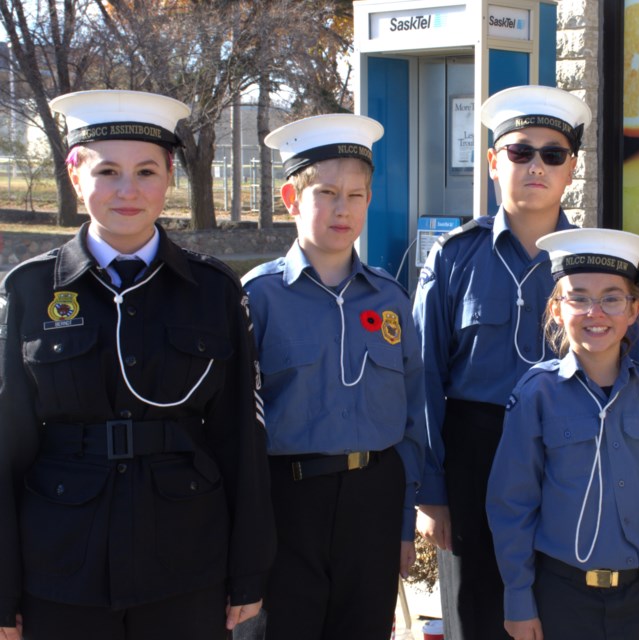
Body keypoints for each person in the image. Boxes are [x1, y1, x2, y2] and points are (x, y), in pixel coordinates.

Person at [0, 89, 274, 640]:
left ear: (170, 175)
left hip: (184, 558)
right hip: (60, 562)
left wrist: (247, 573)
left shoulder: (213, 291)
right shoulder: (29, 290)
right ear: (75, 174)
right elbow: (6, 446)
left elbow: (241, 436)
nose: (128, 190)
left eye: (146, 170)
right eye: (107, 171)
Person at [412, 84, 598, 640]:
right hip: (476, 452)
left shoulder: (593, 260)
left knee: (564, 607)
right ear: (493, 163)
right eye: (519, 151)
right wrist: (431, 489)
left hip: (571, 450)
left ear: (570, 169)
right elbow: (421, 376)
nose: (535, 165)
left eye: (552, 154)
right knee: (481, 611)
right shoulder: (455, 256)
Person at [241, 113, 425, 640]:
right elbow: (236, 424)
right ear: (291, 198)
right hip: (287, 505)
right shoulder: (257, 298)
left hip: (374, 499)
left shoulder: (389, 298)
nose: (343, 208)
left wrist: (403, 521)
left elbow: (412, 416)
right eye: (326, 192)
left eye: (357, 194)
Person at [486, 228, 639, 640]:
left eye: (612, 298)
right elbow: (512, 506)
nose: (594, 312)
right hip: (561, 596)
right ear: (556, 308)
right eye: (578, 297)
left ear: (634, 309)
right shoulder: (536, 396)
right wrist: (518, 598)